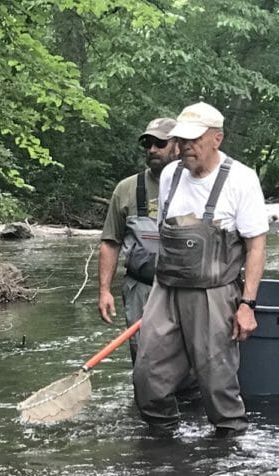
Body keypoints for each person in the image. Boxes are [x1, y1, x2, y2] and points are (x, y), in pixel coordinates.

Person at [132, 102, 269, 436]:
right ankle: (163, 442)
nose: (185, 146)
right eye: (181, 139)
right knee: (147, 374)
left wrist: (247, 305)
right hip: (166, 289)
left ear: (217, 138)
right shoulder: (170, 175)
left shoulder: (241, 179)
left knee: (217, 383)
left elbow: (256, 247)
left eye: (194, 139)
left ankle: (229, 443)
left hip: (215, 293)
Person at [97, 117, 179, 363]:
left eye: (160, 143)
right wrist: (104, 291)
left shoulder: (195, 185)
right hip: (140, 288)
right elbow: (110, 242)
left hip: (185, 291)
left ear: (178, 145)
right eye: (147, 143)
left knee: (188, 360)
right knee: (144, 360)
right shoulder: (126, 189)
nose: (152, 149)